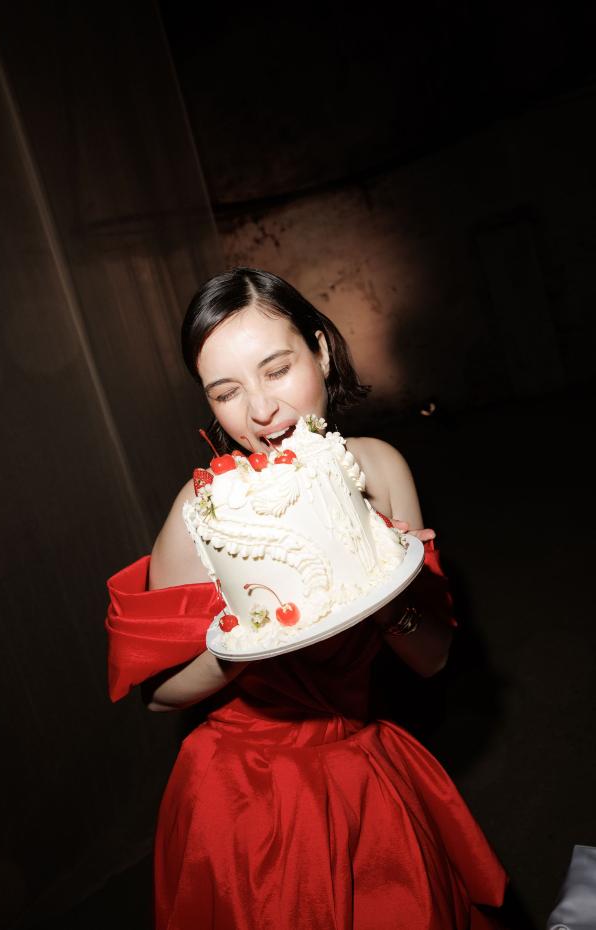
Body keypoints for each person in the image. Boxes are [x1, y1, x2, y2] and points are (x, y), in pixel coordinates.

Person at [105, 267, 509, 929]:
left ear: (320, 350)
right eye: (226, 391)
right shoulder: (205, 511)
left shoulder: (379, 468)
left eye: (277, 368)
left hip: (366, 764)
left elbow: (432, 660)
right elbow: (156, 694)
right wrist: (245, 641)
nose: (260, 410)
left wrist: (387, 592)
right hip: (241, 796)